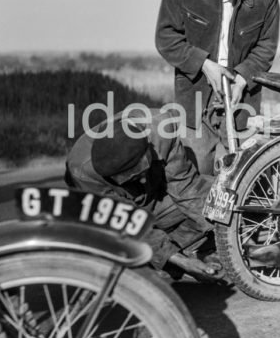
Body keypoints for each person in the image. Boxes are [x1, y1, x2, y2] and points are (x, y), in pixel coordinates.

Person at [155, 0, 280, 174]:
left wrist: (243, 78)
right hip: (194, 94)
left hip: (242, 97)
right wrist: (205, 65)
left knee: (247, 174)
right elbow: (166, 37)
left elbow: (266, 45)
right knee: (196, 172)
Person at [65, 110, 223, 282]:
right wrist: (182, 262)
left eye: (138, 173)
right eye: (128, 178)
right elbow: (126, 221)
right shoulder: (83, 172)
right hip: (112, 212)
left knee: (217, 195)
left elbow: (186, 189)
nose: (139, 181)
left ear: (148, 149)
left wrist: (222, 233)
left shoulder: (162, 131)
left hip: (158, 192)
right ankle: (164, 265)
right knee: (110, 249)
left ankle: (203, 245)